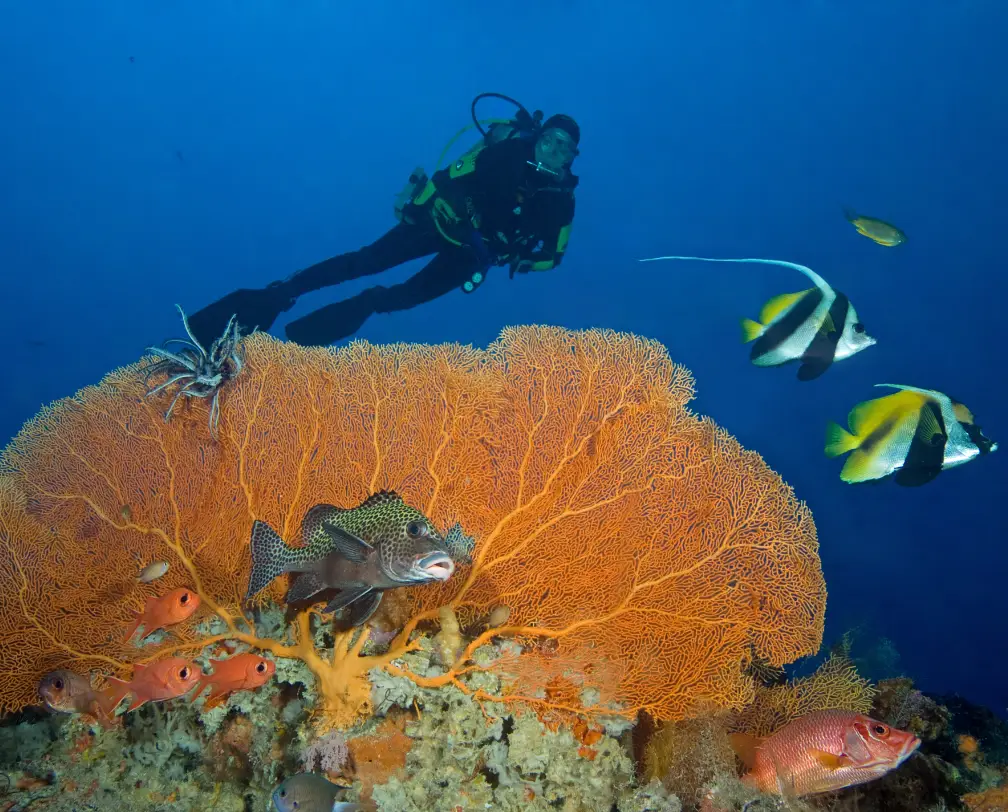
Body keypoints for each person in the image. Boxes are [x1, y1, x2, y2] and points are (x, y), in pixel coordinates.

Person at [186, 99, 580, 348]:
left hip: (471, 257)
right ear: (539, 137)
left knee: (399, 297)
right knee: (366, 260)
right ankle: (278, 294)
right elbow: (450, 175)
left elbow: (555, 255)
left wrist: (519, 261)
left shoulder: (561, 204)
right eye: (551, 139)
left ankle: (304, 339)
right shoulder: (507, 153)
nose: (554, 148)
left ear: (571, 158)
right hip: (443, 221)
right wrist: (416, 207)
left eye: (564, 146)